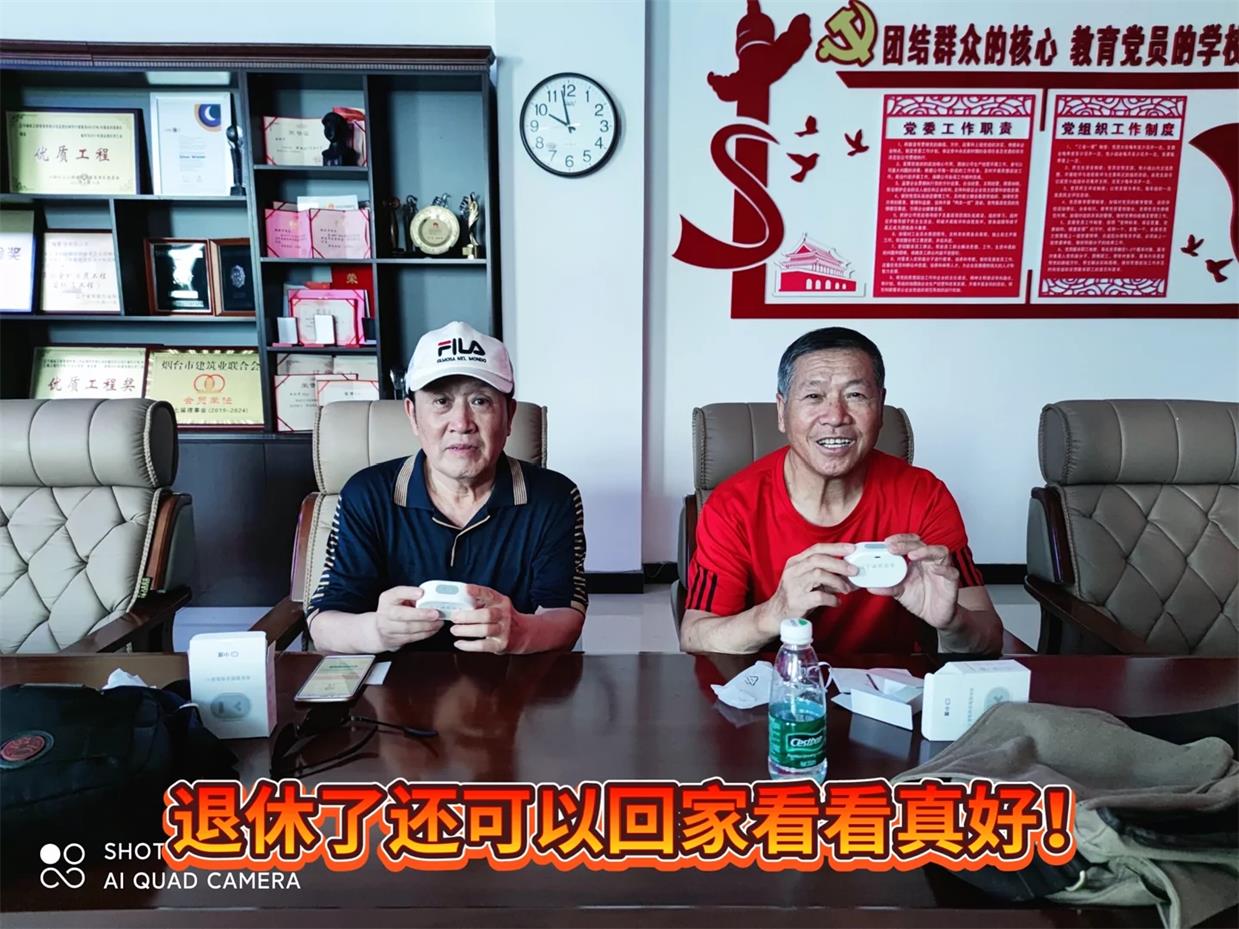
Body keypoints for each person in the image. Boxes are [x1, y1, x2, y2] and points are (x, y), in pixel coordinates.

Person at [680, 327, 1003, 656]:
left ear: (880, 407)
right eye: (814, 396)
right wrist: (774, 613)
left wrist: (953, 622)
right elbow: (694, 635)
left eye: (856, 395)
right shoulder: (732, 505)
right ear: (781, 411)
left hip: (891, 683)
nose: (835, 417)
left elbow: (989, 636)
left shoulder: (925, 496)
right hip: (774, 682)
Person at [307, 321, 587, 655]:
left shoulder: (553, 497)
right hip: (395, 680)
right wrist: (377, 631)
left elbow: (563, 614)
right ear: (413, 415)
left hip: (510, 678)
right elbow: (324, 624)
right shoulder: (366, 495)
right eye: (441, 401)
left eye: (480, 401)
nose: (462, 424)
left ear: (509, 415)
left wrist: (521, 632)